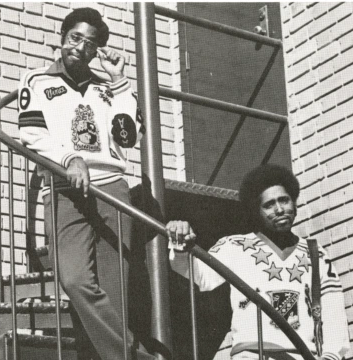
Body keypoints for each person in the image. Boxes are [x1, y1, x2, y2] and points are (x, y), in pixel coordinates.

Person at [18, 7, 155, 360]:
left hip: (112, 190)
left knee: (113, 294)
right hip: (65, 189)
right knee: (75, 280)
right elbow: (30, 132)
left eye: (90, 43)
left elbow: (126, 137)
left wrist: (121, 84)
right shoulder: (37, 81)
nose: (80, 47)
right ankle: (137, 356)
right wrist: (69, 159)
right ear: (62, 38)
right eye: (75, 38)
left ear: (98, 51)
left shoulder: (108, 90)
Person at [166, 164, 350, 360]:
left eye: (284, 200)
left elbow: (334, 316)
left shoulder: (316, 254)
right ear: (256, 211)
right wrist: (180, 243)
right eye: (269, 205)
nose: (279, 209)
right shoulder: (234, 246)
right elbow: (200, 276)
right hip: (252, 355)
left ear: (294, 203)